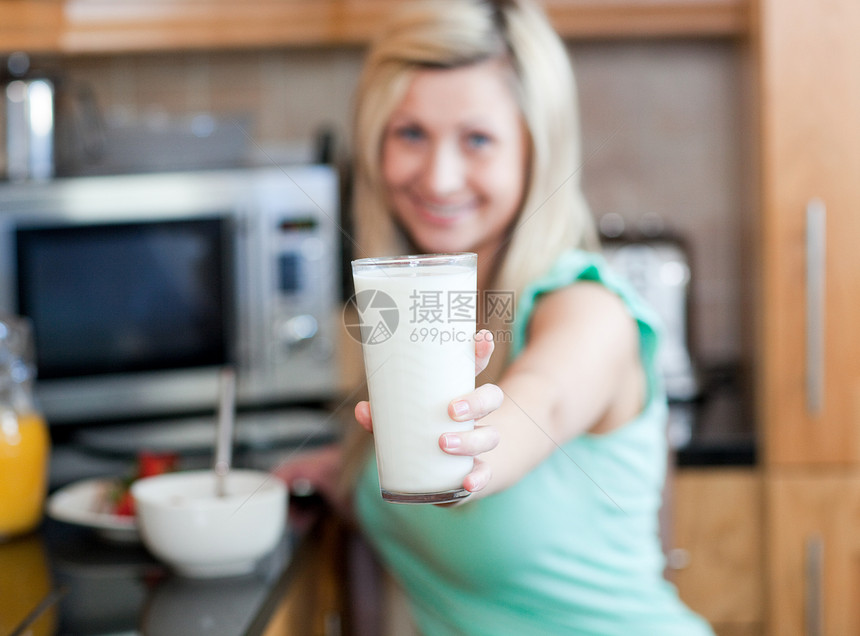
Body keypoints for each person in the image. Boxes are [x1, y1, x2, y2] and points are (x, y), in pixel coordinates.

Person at [277, 0, 715, 634]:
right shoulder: (419, 308)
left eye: (477, 139)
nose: (440, 175)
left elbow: (546, 400)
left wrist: (475, 448)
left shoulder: (587, 310)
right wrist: (350, 474)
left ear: (537, 150)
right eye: (410, 134)